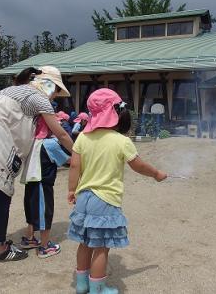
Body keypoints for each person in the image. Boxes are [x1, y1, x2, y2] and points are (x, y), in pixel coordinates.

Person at [0, 66, 73, 262]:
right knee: (1, 196)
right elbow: (61, 134)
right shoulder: (39, 97)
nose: (55, 97)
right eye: (56, 92)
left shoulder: (11, 90)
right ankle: (0, 249)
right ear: (49, 85)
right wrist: (81, 153)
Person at [67, 88, 167, 293]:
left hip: (84, 197)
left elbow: (74, 166)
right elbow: (138, 165)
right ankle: (97, 288)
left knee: (85, 243)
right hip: (105, 199)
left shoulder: (83, 138)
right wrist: (156, 173)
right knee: (101, 246)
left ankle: (81, 284)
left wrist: (71, 189)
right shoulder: (121, 141)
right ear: (115, 112)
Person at [20, 80, 72, 259]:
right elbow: (68, 160)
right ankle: (44, 246)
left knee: (30, 207)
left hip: (31, 180)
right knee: (44, 211)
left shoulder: (34, 140)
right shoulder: (50, 143)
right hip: (43, 183)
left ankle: (29, 238)